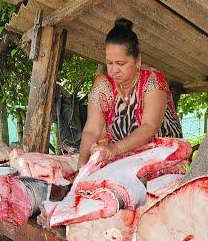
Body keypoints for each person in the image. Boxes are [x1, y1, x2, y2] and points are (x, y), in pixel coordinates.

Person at [78, 18, 183, 168]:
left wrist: (114, 149)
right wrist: (81, 166)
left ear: (137, 61)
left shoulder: (153, 82)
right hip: (125, 162)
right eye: (109, 63)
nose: (114, 70)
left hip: (163, 160)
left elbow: (149, 126)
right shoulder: (103, 87)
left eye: (120, 64)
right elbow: (91, 130)